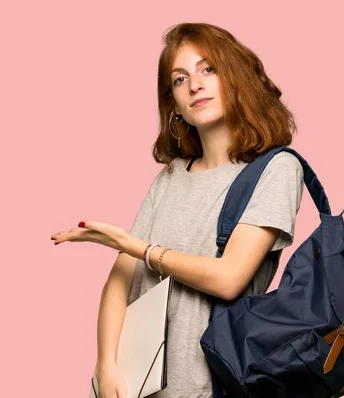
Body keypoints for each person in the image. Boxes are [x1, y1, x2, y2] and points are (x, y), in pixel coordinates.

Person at [51, 22, 305, 398]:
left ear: (235, 78)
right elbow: (120, 282)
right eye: (179, 79)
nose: (195, 85)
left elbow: (229, 277)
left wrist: (137, 247)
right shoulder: (170, 177)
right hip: (133, 387)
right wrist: (106, 369)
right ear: (173, 104)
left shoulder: (276, 169)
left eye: (208, 69)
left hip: (210, 387)